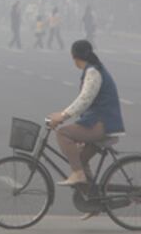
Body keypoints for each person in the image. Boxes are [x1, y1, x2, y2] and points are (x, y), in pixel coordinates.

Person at [47, 40, 125, 218]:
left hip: (102, 124)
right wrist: (65, 115)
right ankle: (94, 203)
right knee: (80, 157)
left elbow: (84, 100)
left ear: (74, 57)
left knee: (62, 132)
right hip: (98, 122)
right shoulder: (92, 69)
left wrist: (63, 116)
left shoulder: (93, 72)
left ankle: (77, 174)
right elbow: (86, 103)